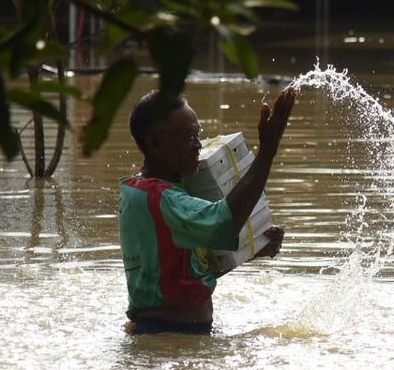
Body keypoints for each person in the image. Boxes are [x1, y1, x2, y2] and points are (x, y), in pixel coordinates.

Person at [118, 86, 297, 334]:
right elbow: (224, 222)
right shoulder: (161, 198)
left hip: (170, 335)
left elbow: (182, 279)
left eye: (197, 135)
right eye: (188, 137)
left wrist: (251, 250)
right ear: (155, 143)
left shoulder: (147, 192)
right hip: (167, 338)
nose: (198, 145)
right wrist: (267, 152)